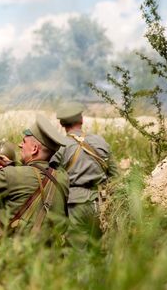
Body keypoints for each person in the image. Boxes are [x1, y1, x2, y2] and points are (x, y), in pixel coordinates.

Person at [50, 102, 118, 240]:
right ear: (82, 120)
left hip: (75, 203)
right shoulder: (101, 141)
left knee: (77, 251)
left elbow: (51, 177)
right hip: (101, 202)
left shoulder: (60, 145)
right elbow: (115, 175)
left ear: (62, 124)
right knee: (100, 248)